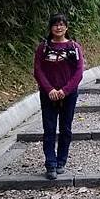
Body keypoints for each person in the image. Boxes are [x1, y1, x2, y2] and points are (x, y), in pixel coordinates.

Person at [34, 13, 84, 179]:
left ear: (66, 27)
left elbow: (78, 72)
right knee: (49, 129)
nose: (58, 27)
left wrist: (65, 90)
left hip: (68, 94)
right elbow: (38, 70)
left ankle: (61, 160)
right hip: (48, 94)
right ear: (51, 28)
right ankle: (50, 164)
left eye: (62, 24)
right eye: (55, 24)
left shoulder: (74, 47)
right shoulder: (43, 47)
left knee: (65, 128)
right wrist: (49, 89)